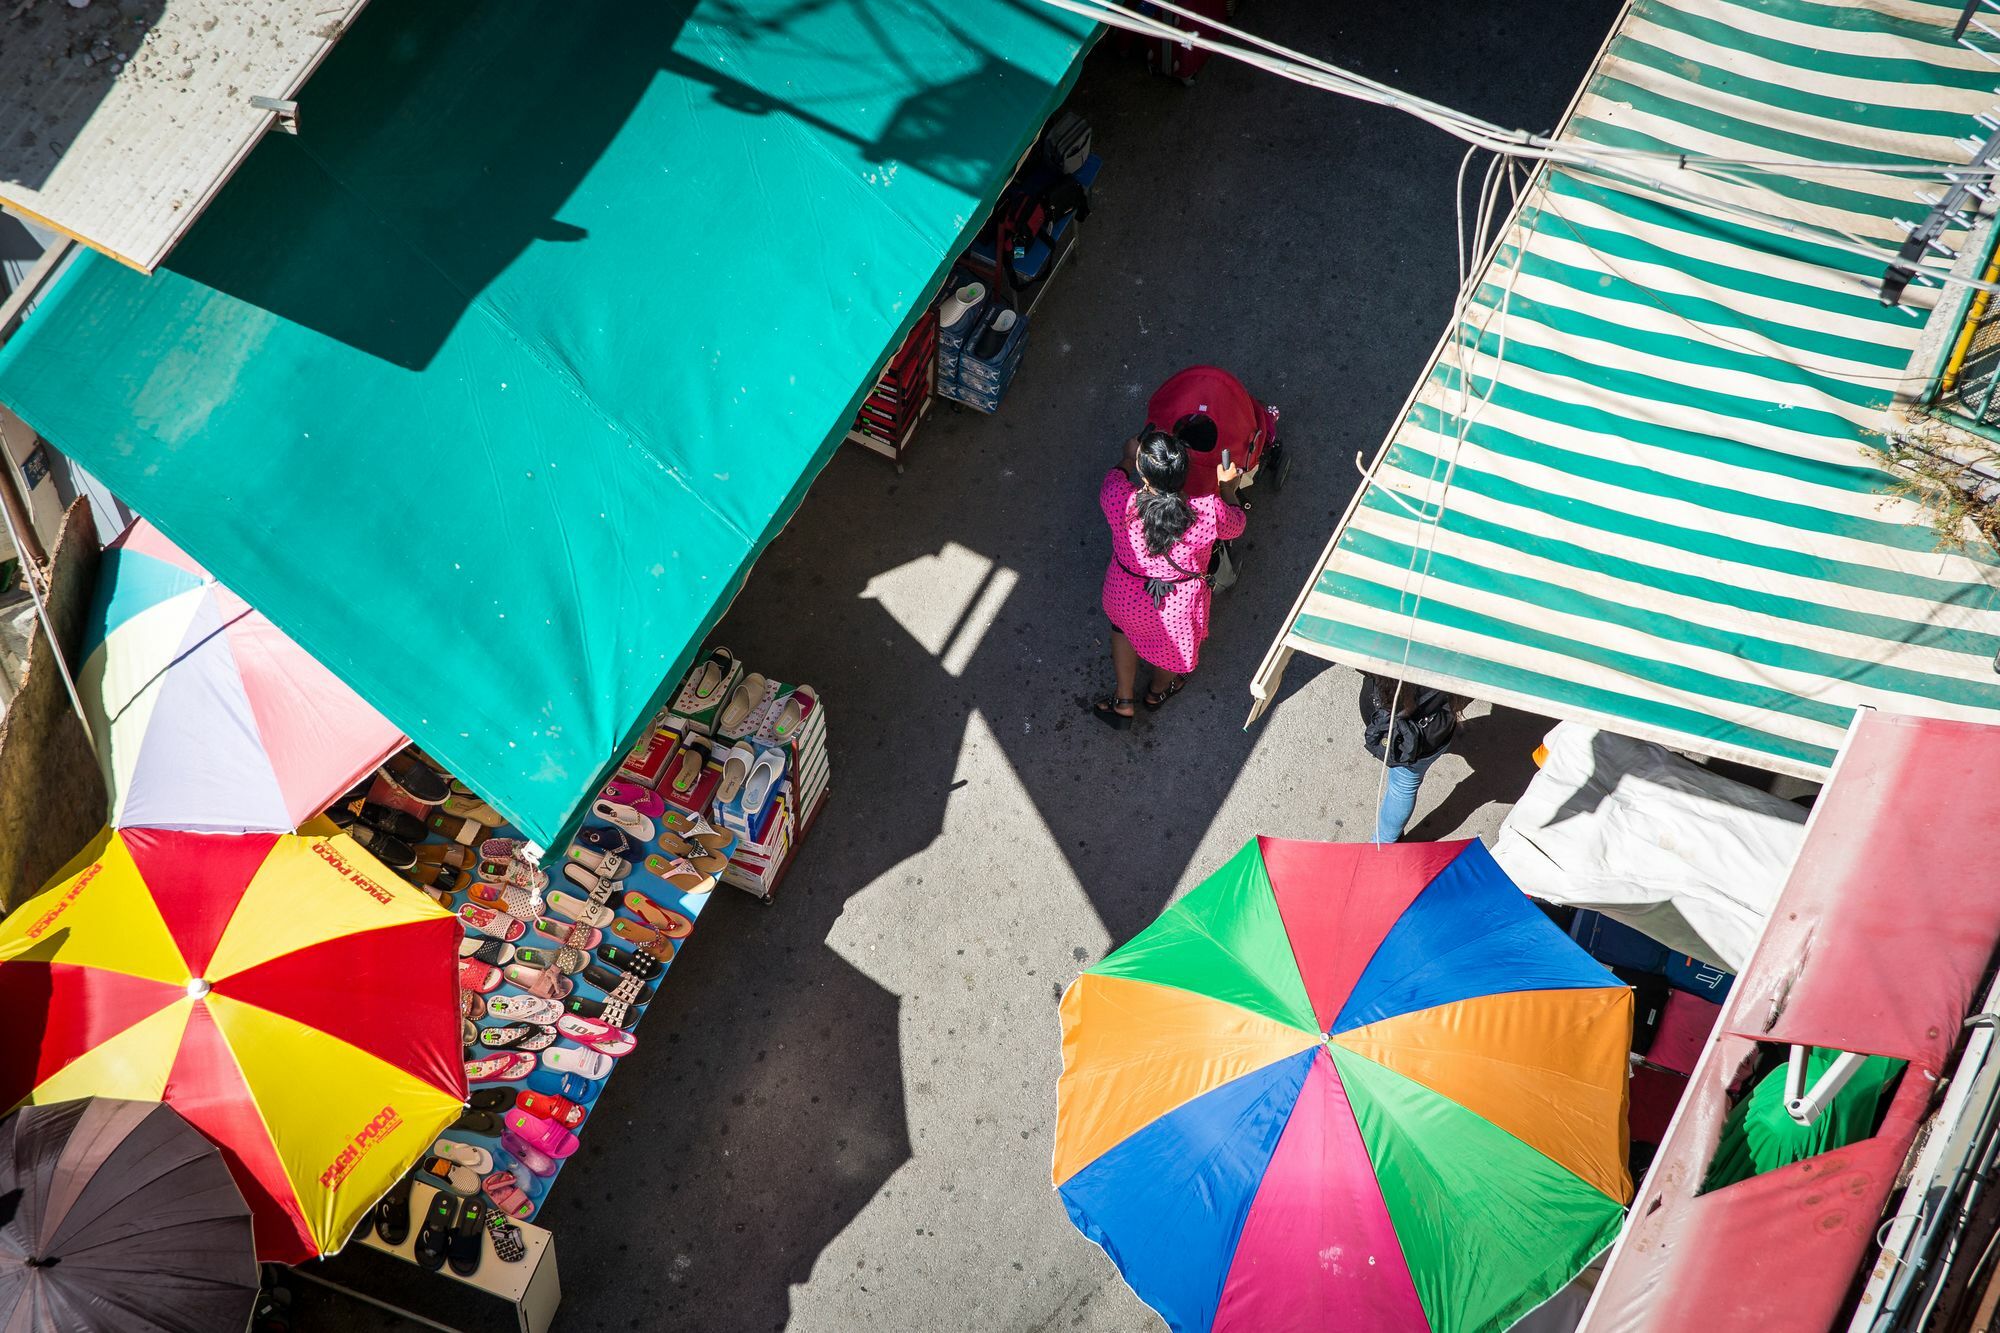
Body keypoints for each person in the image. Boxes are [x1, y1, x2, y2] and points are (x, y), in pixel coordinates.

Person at [1093, 430, 1246, 729]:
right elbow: (1236, 525)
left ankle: (1123, 700)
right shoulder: (1206, 513)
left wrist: (1127, 456)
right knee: (1169, 652)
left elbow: (1114, 477)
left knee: (1121, 629)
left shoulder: (1117, 498)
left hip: (1124, 593)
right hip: (1176, 606)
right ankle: (1157, 692)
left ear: (1142, 472)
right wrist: (1228, 489)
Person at [1360, 673, 1466, 842]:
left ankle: (1384, 845)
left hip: (1376, 713)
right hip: (1428, 733)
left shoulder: (1393, 648)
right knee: (1403, 786)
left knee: (1402, 786)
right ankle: (1384, 841)